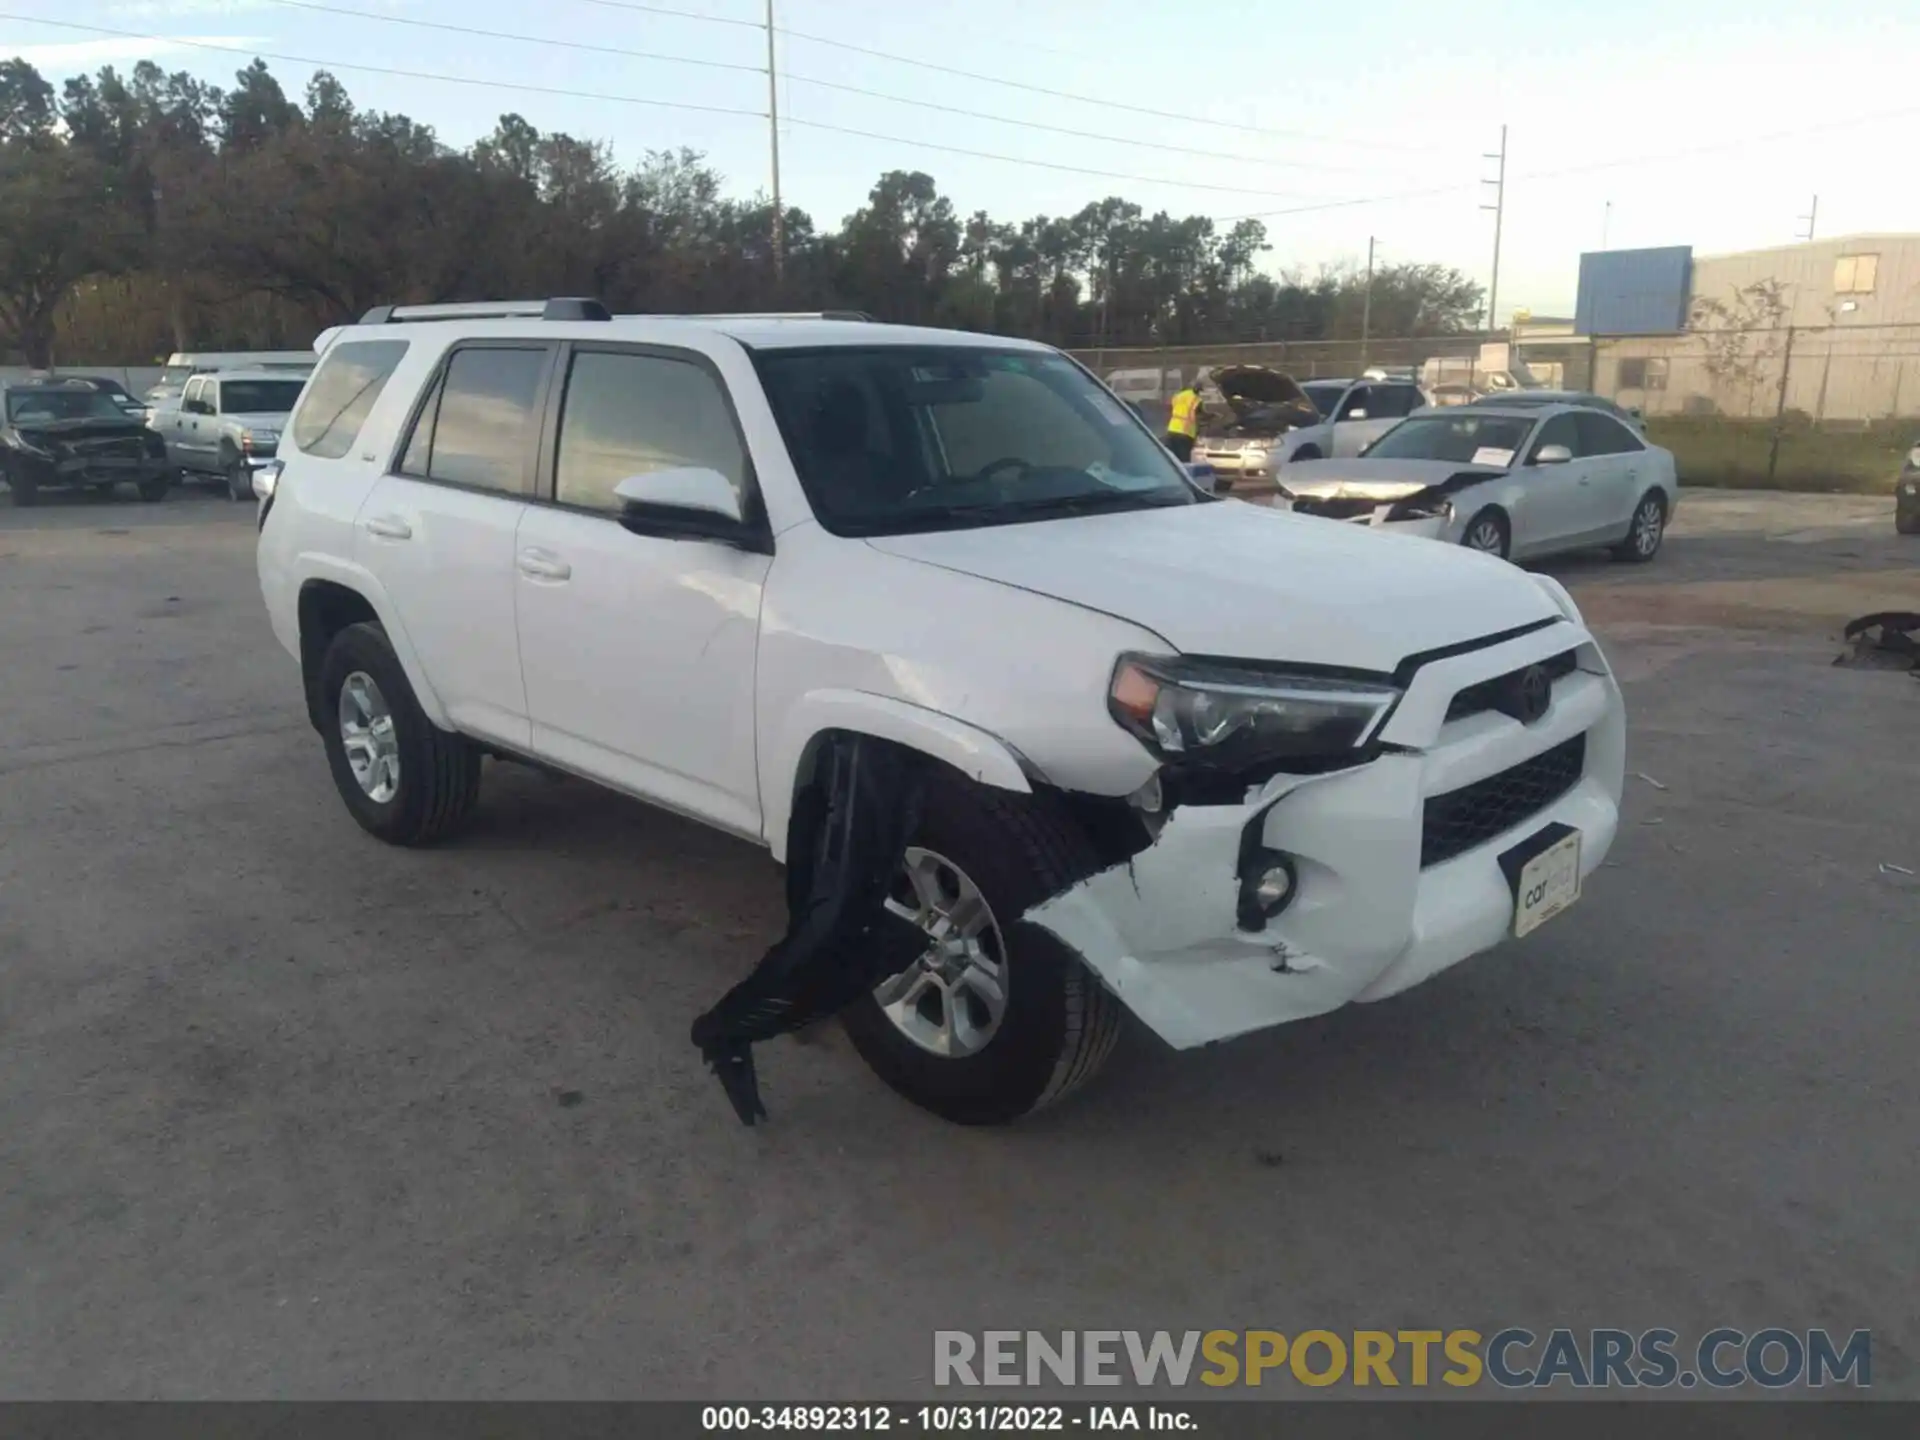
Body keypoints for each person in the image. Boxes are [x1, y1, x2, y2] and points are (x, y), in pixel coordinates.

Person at [1164, 378, 1201, 462]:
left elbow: (1170, 409)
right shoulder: (1195, 398)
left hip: (1172, 430)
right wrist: (1213, 416)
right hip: (1185, 433)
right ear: (1197, 389)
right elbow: (1200, 414)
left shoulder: (1178, 396)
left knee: (1173, 460)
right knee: (1184, 460)